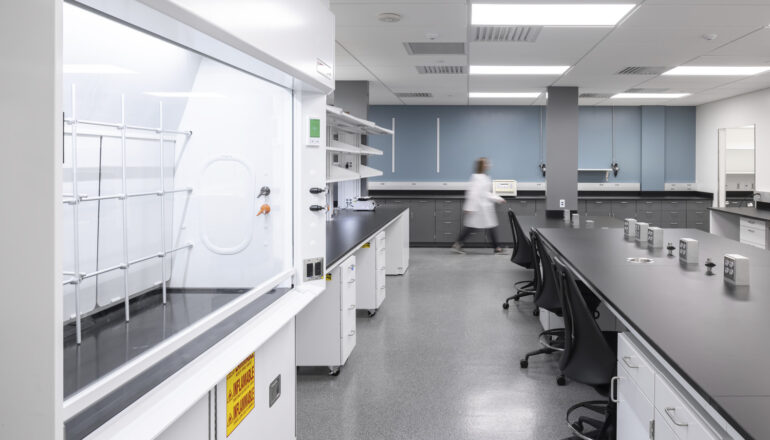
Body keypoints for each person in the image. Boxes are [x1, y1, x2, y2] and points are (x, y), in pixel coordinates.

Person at [452, 157, 505, 254]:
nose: (488, 165)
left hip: (485, 208)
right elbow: (473, 193)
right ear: (481, 165)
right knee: (473, 227)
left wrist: (498, 198)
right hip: (478, 208)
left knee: (488, 226)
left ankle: (497, 247)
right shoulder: (476, 177)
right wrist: (469, 207)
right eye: (486, 163)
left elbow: (486, 193)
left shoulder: (485, 177)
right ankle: (458, 244)